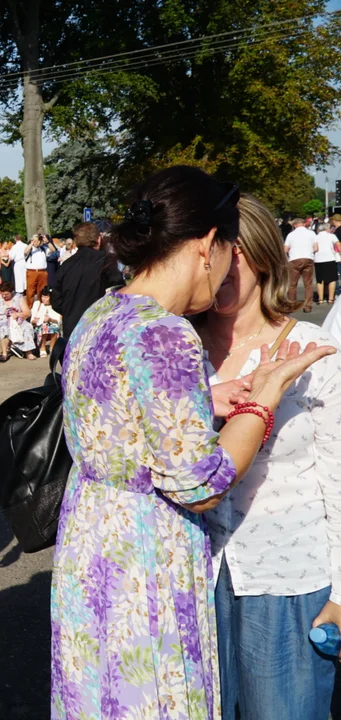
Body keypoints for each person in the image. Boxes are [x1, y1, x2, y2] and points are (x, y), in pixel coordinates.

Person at [52, 166, 334, 719]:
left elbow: (127, 420)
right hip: (144, 562)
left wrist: (211, 398)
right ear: (209, 244)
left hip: (91, 549)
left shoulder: (105, 313)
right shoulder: (168, 332)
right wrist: (263, 399)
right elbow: (199, 484)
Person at [195, 193, 341, 720]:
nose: (216, 267)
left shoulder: (310, 348)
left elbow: (338, 474)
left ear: (258, 253)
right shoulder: (175, 351)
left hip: (289, 577)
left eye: (229, 251)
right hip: (192, 576)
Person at [52, 221, 125, 338]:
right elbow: (120, 293)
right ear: (99, 239)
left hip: (72, 331)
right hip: (98, 328)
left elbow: (56, 302)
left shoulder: (65, 266)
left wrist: (72, 311)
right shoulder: (106, 261)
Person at [0, 287, 36, 361]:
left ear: (12, 292)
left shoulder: (19, 297)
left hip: (17, 320)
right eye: (2, 294)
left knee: (27, 326)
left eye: (6, 294)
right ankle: (4, 353)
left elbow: (27, 313)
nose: (4, 296)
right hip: (1, 321)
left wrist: (17, 314)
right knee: (5, 328)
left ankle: (28, 352)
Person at [285, 217, 318, 313]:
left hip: (294, 259)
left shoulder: (291, 235)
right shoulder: (311, 233)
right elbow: (316, 248)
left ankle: (292, 304)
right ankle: (307, 305)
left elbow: (285, 249)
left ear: (294, 225)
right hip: (308, 258)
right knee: (308, 284)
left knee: (292, 284)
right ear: (304, 224)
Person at [30, 287, 62, 357]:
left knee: (54, 327)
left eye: (46, 297)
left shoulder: (55, 306)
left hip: (51, 325)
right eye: (42, 296)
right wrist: (34, 321)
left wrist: (50, 319)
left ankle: (52, 347)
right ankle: (42, 348)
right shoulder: (37, 304)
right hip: (38, 327)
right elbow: (32, 321)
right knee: (44, 327)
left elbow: (59, 320)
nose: (43, 299)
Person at [314, 221, 339, 305]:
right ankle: (330, 299)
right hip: (330, 259)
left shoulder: (316, 237)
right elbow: (338, 244)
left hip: (318, 259)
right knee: (332, 279)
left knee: (320, 280)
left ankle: (320, 299)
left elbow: (314, 248)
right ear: (327, 228)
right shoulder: (332, 236)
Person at [24, 234, 49, 306]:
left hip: (42, 272)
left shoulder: (43, 249)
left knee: (42, 290)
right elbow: (25, 252)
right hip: (32, 272)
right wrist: (32, 242)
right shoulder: (30, 249)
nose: (36, 242)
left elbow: (53, 250)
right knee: (30, 291)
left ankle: (42, 306)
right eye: (35, 240)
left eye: (38, 240)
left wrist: (47, 242)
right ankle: (29, 307)